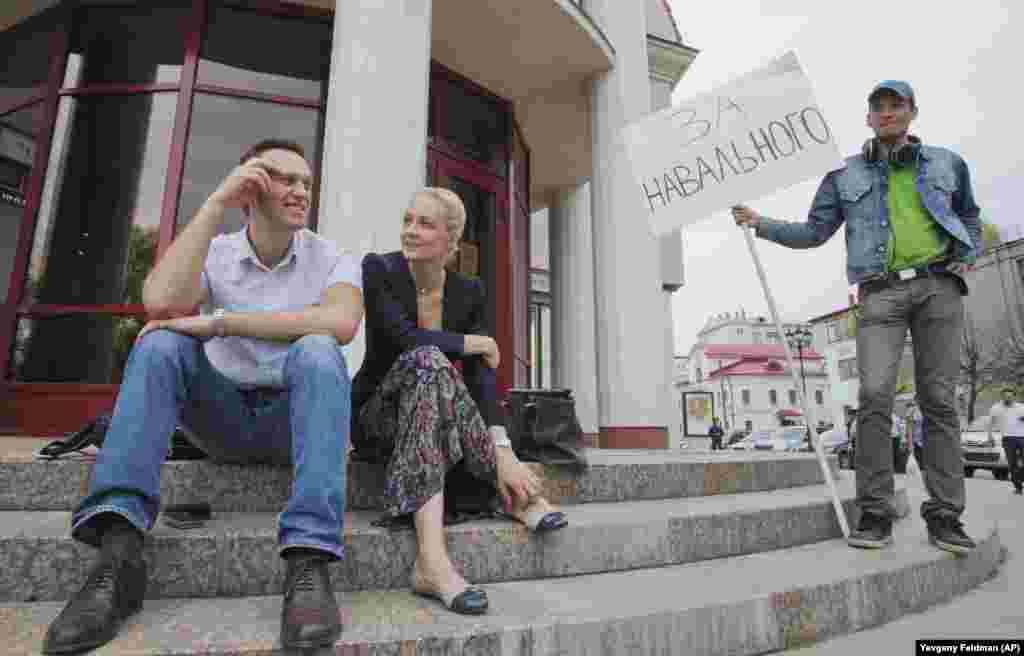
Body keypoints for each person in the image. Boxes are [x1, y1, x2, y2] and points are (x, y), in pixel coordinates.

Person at [42, 139, 364, 654]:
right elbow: (161, 302)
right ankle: (119, 558)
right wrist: (215, 203)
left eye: (306, 182)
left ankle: (309, 561)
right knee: (163, 341)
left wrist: (221, 322)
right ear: (250, 188)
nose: (301, 190)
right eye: (285, 179)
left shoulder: (333, 259)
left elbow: (343, 322)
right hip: (220, 421)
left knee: (320, 350)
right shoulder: (216, 253)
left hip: (289, 423)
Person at [732, 80, 981, 554]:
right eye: (878, 108)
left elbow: (969, 215)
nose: (887, 113)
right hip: (880, 294)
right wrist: (759, 222)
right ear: (867, 117)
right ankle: (875, 512)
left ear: (911, 112)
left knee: (939, 400)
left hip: (938, 287)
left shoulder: (948, 163)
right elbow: (813, 232)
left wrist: (969, 253)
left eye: (896, 106)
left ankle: (946, 516)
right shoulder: (844, 174)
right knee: (872, 395)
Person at [352, 187, 566, 616]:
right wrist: (474, 341)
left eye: (425, 223)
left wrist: (503, 448)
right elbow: (402, 338)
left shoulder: (469, 292)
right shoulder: (379, 270)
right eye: (408, 220)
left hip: (436, 422)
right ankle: (505, 508)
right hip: (379, 418)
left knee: (445, 376)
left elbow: (481, 375)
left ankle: (433, 561)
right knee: (429, 360)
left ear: (452, 242)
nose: (410, 231)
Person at [989, 387, 1024, 494]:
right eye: (1005, 396)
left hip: (1022, 437)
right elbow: (991, 422)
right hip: (1008, 438)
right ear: (1002, 397)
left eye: (1010, 396)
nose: (1008, 398)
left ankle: (1020, 477)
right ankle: (1018, 486)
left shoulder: (1021, 407)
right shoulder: (996, 408)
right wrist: (989, 436)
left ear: (1014, 396)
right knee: (1012, 463)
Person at [906, 400, 925, 466]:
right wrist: (910, 444)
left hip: (923, 441)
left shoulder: (925, 411)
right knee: (919, 462)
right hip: (917, 441)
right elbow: (909, 429)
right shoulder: (912, 412)